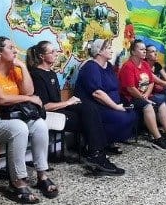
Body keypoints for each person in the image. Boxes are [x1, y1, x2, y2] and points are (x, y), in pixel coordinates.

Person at [0, 36, 58, 203]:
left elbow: (29, 91)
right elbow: (0, 99)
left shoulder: (14, 70)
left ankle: (42, 175)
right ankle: (17, 182)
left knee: (39, 124)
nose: (15, 50)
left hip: (11, 117)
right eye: (11, 48)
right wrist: (30, 99)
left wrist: (23, 67)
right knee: (19, 128)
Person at [26, 40, 124, 176]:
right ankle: (97, 154)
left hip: (60, 109)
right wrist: (68, 103)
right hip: (48, 113)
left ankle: (97, 153)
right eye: (52, 52)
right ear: (42, 56)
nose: (56, 54)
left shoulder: (52, 73)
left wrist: (71, 102)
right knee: (89, 116)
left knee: (89, 107)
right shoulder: (37, 75)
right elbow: (45, 106)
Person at [118, 39, 166, 152]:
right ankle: (157, 139)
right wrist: (143, 98)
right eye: (141, 49)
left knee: (161, 103)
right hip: (130, 98)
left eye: (145, 49)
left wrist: (147, 95)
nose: (144, 51)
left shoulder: (144, 64)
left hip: (143, 96)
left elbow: (151, 82)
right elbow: (130, 88)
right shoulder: (128, 66)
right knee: (148, 106)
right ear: (133, 52)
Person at [73, 38, 137, 150]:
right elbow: (97, 93)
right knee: (122, 118)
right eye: (108, 48)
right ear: (99, 52)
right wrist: (116, 107)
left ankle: (107, 142)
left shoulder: (108, 66)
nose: (112, 50)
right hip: (96, 107)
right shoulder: (91, 67)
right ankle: (97, 145)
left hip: (110, 104)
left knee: (132, 114)